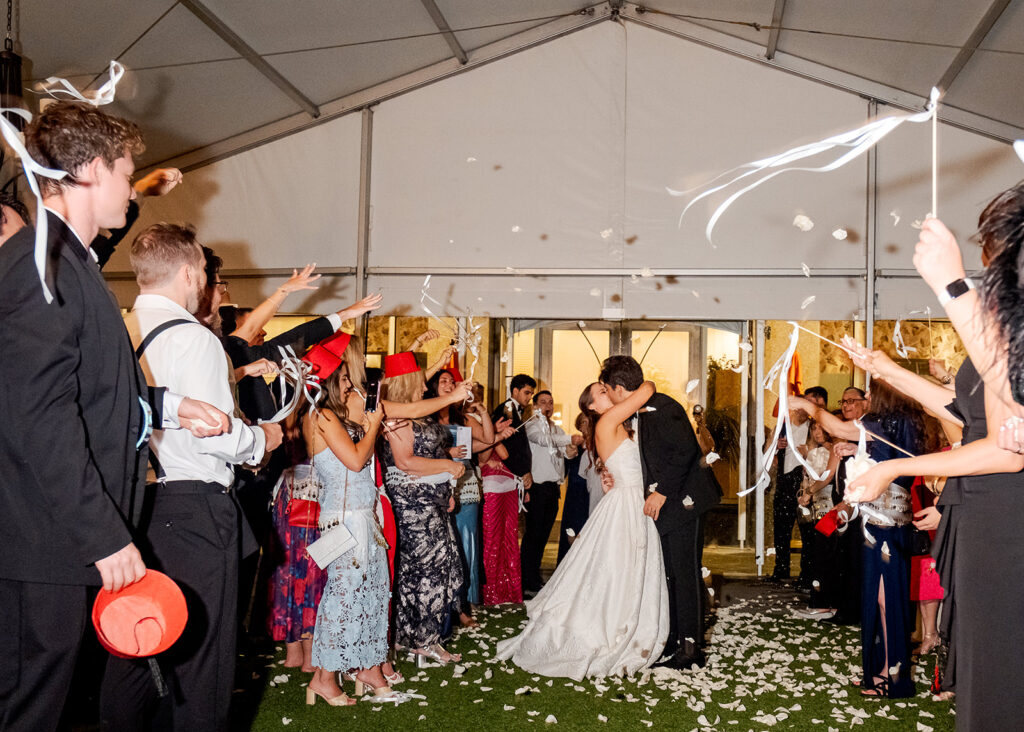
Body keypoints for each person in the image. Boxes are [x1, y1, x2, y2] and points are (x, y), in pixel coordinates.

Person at [0, 102, 228, 732]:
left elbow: (88, 391)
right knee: (27, 709)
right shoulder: (38, 268)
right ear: (93, 169)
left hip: (55, 543)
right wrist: (102, 533)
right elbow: (39, 418)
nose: (132, 189)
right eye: (129, 175)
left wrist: (168, 405)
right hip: (42, 543)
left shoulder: (68, 262)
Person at [846, 183, 1024, 724]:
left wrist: (895, 467)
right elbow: (963, 409)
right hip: (980, 511)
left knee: (998, 666)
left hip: (1006, 518)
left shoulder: (1008, 331)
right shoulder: (1003, 330)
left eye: (993, 251)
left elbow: (1006, 447)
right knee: (980, 655)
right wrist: (888, 370)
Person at [105, 223, 284, 731]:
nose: (205, 282)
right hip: (195, 509)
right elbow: (220, 435)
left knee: (136, 645)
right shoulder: (195, 339)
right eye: (205, 272)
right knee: (204, 659)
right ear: (188, 272)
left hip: (133, 508)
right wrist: (261, 441)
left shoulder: (119, 332)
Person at [496, 380, 669, 680]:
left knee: (623, 570)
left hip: (629, 502)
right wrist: (632, 385)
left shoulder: (616, 423)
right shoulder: (608, 419)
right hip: (625, 505)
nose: (609, 393)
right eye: (602, 391)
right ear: (591, 405)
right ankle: (610, 629)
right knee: (617, 570)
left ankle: (626, 624)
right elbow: (648, 388)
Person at [791, 379, 925, 699]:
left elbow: (838, 425)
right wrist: (855, 448)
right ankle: (881, 669)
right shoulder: (895, 424)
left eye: (869, 393)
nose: (866, 398)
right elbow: (882, 455)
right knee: (879, 601)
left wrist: (809, 407)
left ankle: (892, 677)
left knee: (886, 601)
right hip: (876, 522)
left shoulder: (888, 421)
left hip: (887, 524)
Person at [600, 356, 720, 669]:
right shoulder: (640, 411)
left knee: (686, 574)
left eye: (608, 391)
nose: (609, 398)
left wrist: (662, 491)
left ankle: (691, 651)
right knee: (672, 576)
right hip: (670, 505)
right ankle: (676, 640)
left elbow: (686, 452)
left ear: (619, 389)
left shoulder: (664, 407)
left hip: (684, 502)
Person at [303, 338, 402, 704]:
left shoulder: (340, 415)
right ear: (329, 382)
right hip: (343, 521)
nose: (349, 384)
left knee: (371, 595)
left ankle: (364, 666)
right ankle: (323, 677)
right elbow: (357, 460)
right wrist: (374, 423)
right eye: (344, 378)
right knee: (343, 598)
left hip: (363, 516)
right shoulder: (322, 416)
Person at [380, 352, 467, 664]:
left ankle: (414, 637)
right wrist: (446, 464)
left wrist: (445, 487)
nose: (424, 385)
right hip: (413, 503)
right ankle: (424, 640)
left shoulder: (414, 412)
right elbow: (405, 461)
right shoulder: (395, 416)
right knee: (427, 571)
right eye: (418, 380)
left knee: (432, 568)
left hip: (431, 496)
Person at [426, 368, 508, 626]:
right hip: (435, 484)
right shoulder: (425, 415)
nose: (449, 384)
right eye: (443, 381)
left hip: (465, 483)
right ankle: (442, 605)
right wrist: (448, 452)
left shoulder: (461, 417)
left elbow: (486, 438)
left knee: (465, 545)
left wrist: (482, 410)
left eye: (452, 381)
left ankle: (464, 603)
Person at [521, 390, 581, 594]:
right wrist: (568, 439)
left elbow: (566, 454)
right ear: (535, 406)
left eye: (551, 402)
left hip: (553, 488)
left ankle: (534, 576)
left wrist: (572, 449)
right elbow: (542, 440)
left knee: (544, 534)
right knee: (533, 535)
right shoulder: (531, 426)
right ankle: (526, 578)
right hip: (536, 488)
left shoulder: (557, 429)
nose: (547, 406)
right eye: (543, 402)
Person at [491, 373, 536, 496]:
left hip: (515, 475)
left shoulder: (516, 410)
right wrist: (523, 471)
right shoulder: (506, 409)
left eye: (531, 394)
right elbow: (511, 446)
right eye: (527, 393)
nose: (530, 397)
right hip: (508, 474)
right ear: (515, 391)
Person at [557, 413, 591, 564]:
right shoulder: (575, 445)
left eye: (590, 422)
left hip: (592, 494)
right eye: (584, 422)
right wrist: (569, 455)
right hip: (575, 495)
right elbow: (562, 473)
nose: (587, 425)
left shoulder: (600, 444)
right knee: (572, 530)